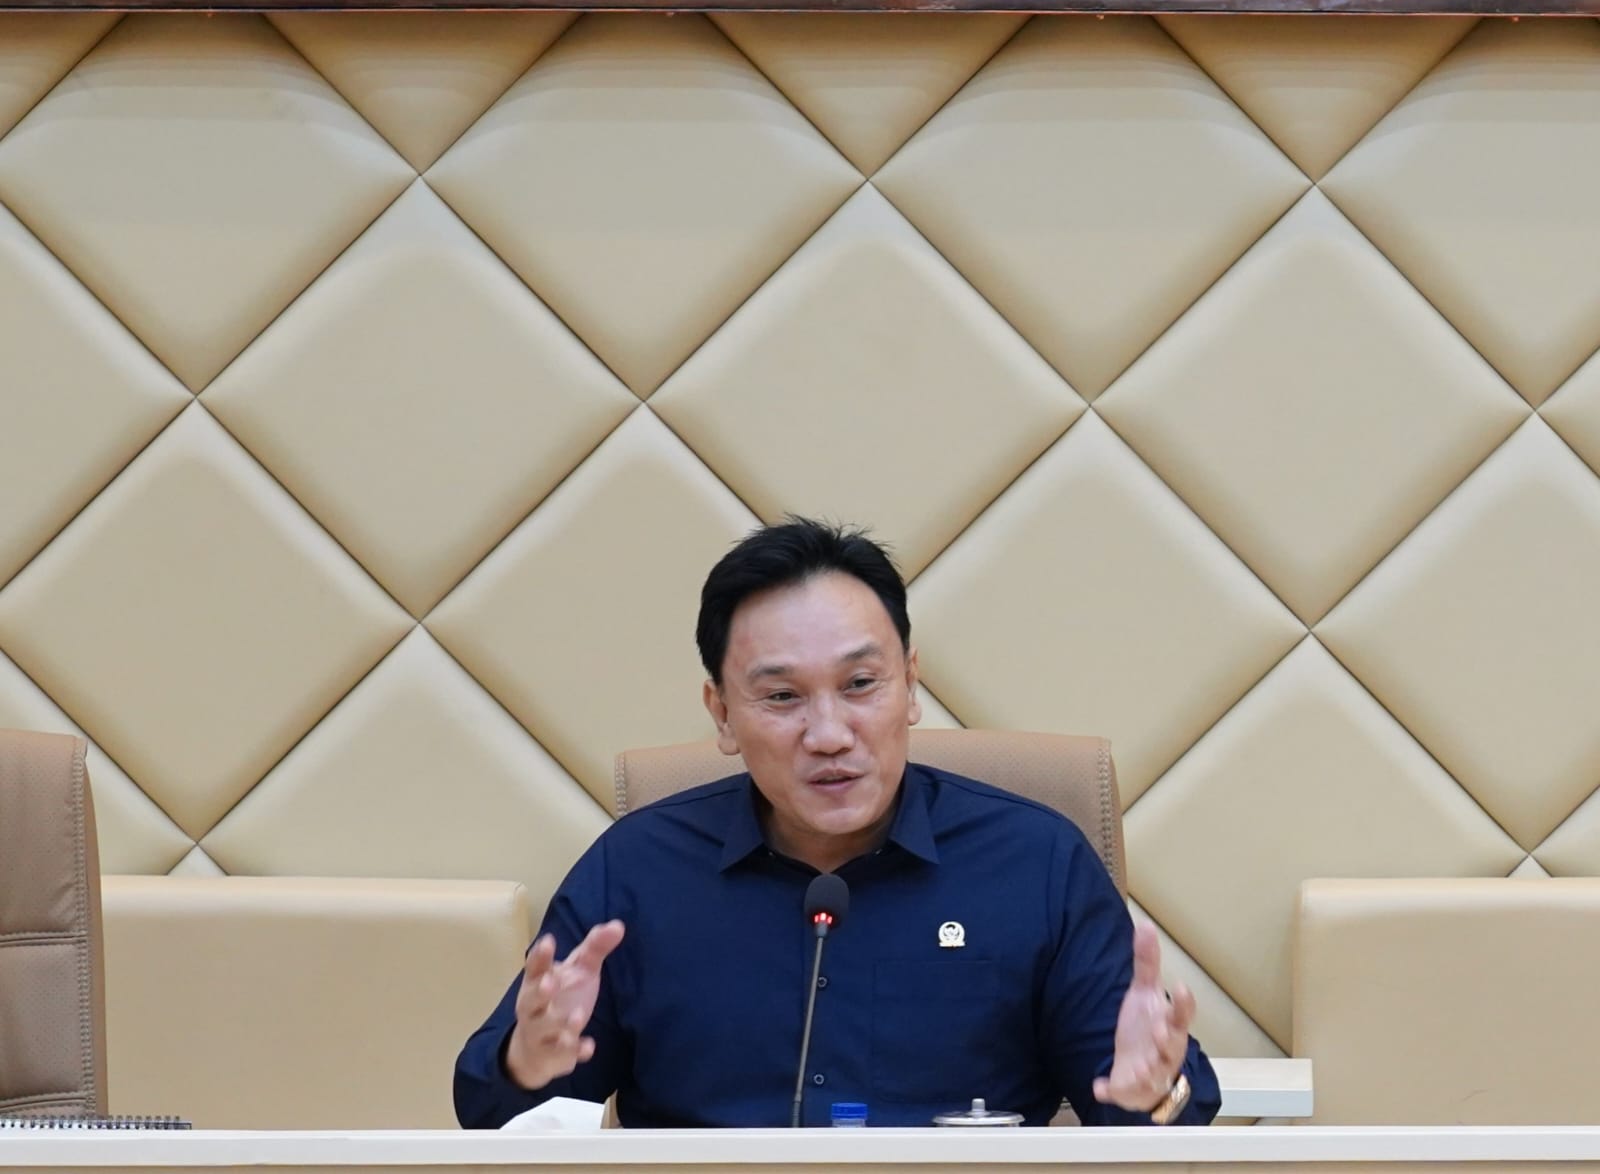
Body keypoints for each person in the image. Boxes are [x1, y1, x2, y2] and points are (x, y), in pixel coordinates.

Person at [455, 518, 1220, 1128]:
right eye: (782, 697)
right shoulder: (637, 872)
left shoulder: (1036, 864)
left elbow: (1161, 1116)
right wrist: (527, 1064)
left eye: (860, 684)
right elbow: (495, 1119)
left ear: (910, 686)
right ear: (721, 714)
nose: (828, 734)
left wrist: (1153, 1094)